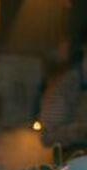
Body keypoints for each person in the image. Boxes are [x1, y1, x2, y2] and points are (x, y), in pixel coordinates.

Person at [39, 23, 87, 158]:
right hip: (74, 164)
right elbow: (48, 136)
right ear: (84, 46)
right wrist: (82, 130)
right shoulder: (67, 83)